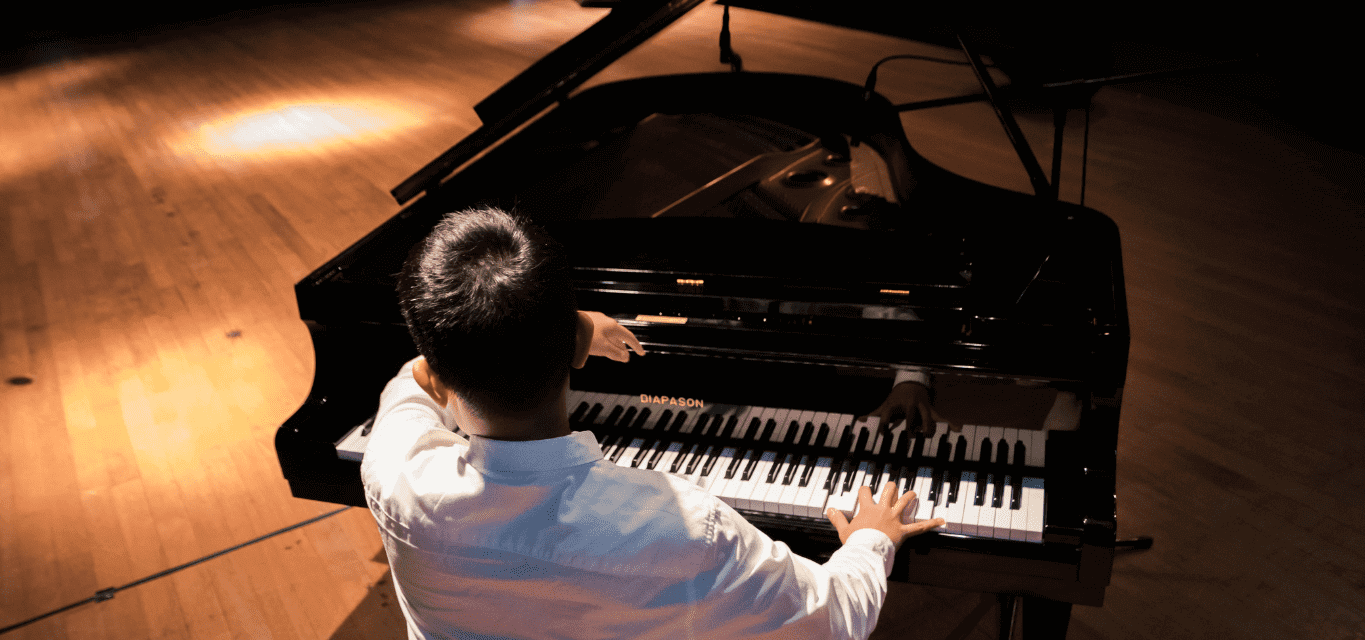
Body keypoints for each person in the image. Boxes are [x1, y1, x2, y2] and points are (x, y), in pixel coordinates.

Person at [362, 206, 944, 640]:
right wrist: (871, 540)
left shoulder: (394, 473)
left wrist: (568, 327)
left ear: (442, 372)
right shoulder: (685, 528)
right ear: (572, 349)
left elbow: (409, 384)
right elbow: (838, 618)